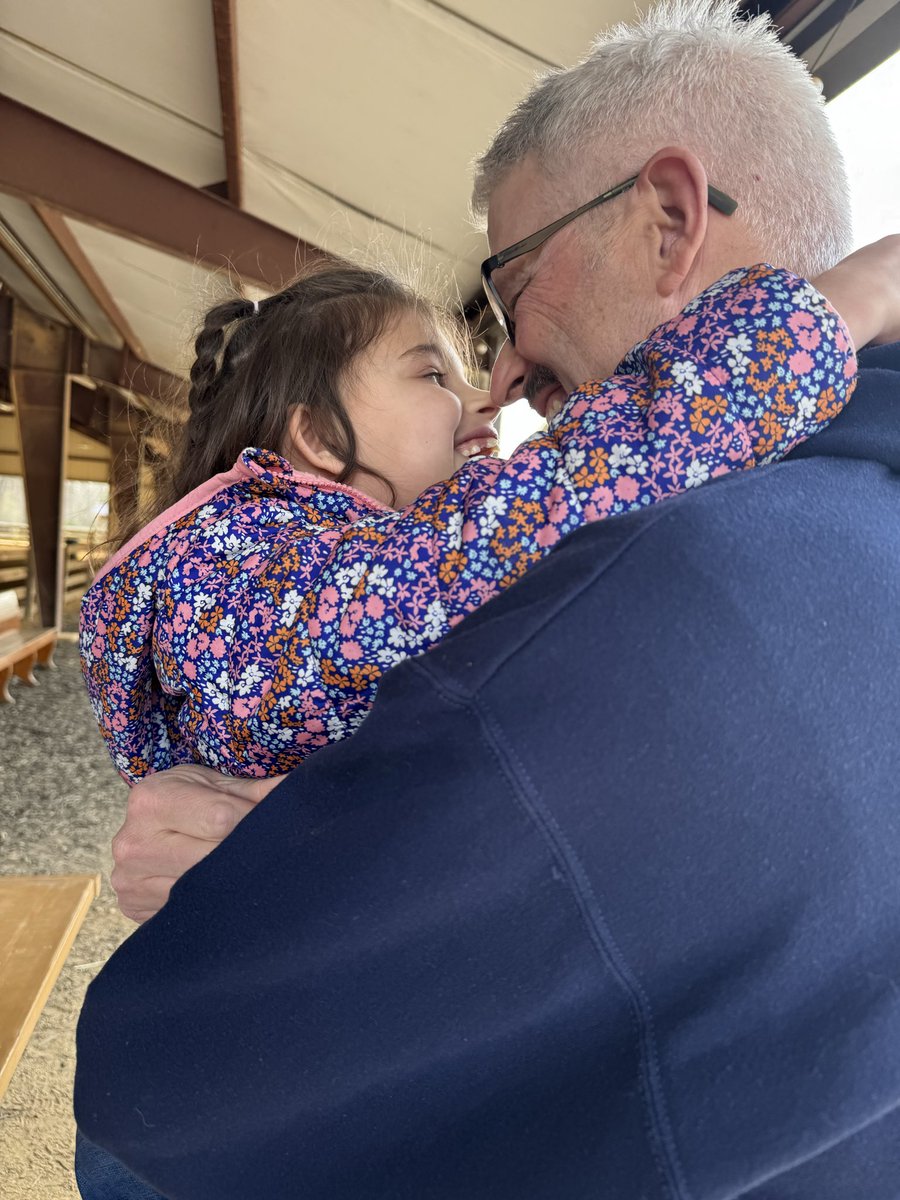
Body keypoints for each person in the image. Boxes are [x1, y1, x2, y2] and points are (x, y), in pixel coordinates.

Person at [75, 2, 900, 1196]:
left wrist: (304, 866)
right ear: (315, 436)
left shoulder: (657, 592)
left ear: (670, 221)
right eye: (442, 366)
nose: (501, 387)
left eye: (507, 298)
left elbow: (153, 1133)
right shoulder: (266, 567)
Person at [83, 256, 867, 782]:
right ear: (318, 437)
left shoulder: (263, 587)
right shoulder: (252, 596)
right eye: (432, 373)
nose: (486, 398)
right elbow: (570, 491)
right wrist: (840, 306)